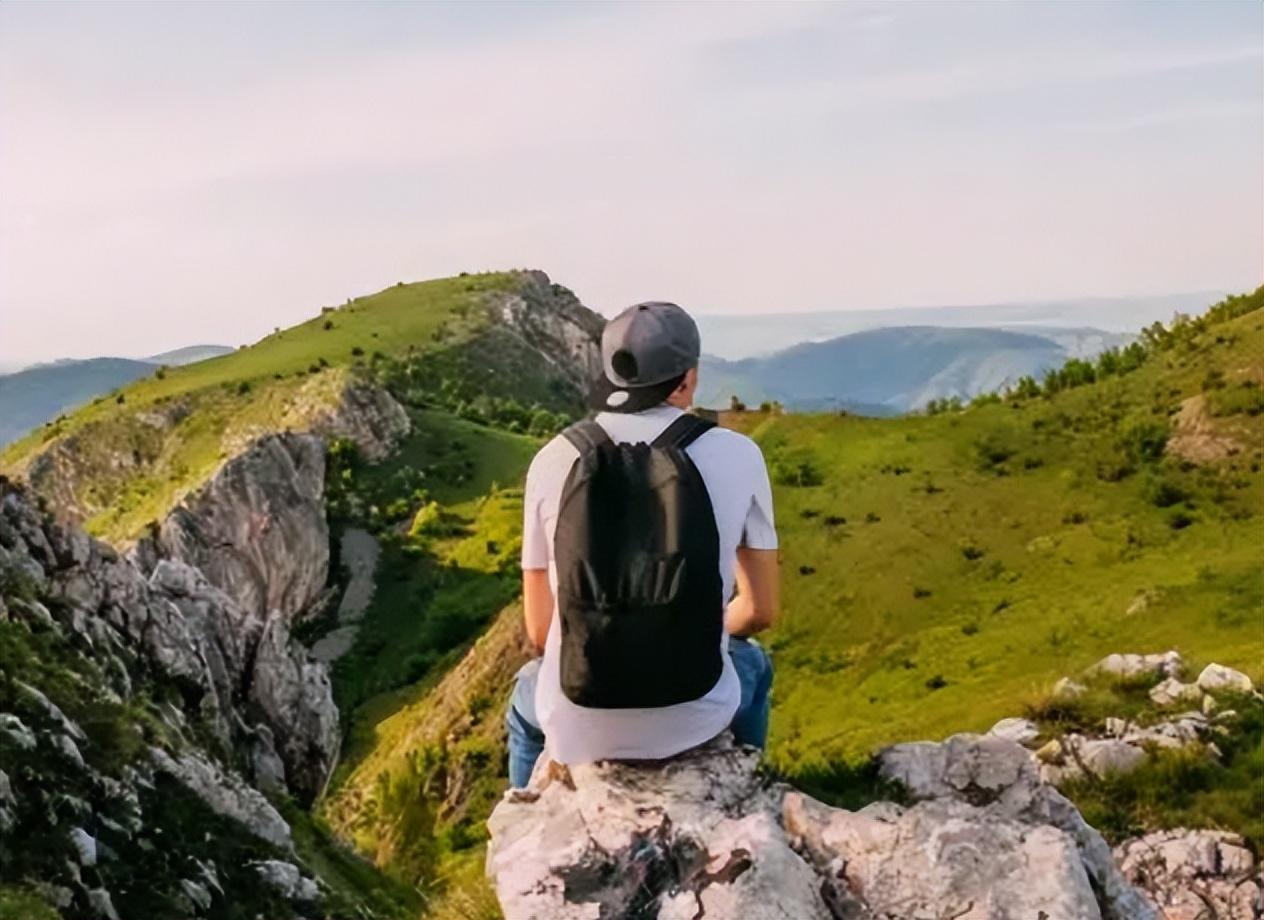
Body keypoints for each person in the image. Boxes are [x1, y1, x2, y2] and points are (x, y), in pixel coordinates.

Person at [505, 301, 780, 788]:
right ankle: (743, 783)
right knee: (753, 661)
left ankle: (528, 804)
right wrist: (696, 627)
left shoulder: (552, 461)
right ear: (686, 379)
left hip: (579, 719)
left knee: (526, 700)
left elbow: (541, 630)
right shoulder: (740, 455)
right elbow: (760, 611)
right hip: (696, 718)